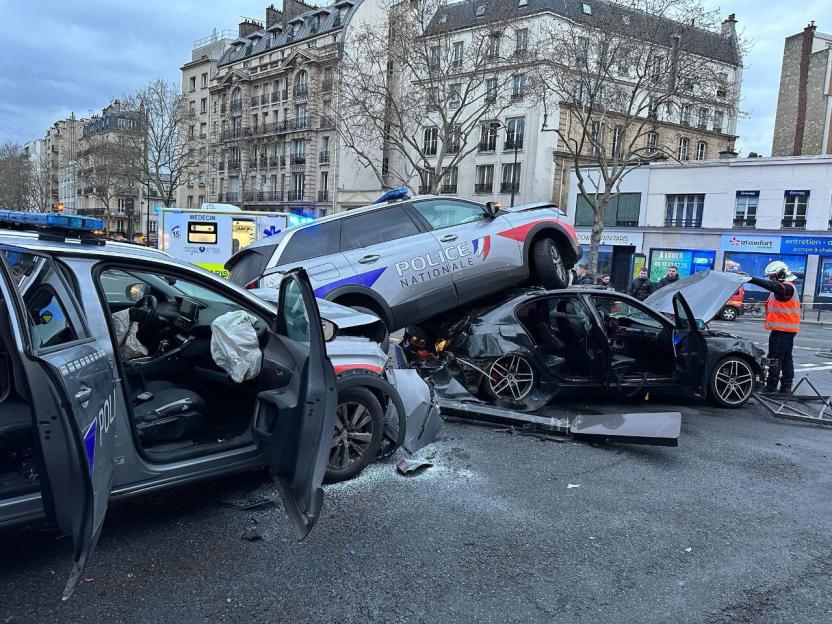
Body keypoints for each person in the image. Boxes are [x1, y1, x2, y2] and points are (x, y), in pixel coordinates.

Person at [748, 261, 800, 394]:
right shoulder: (784, 288)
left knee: (775, 357)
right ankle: (786, 386)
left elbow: (773, 287)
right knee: (786, 357)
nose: (771, 279)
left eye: (773, 276)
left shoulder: (787, 288)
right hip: (784, 330)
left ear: (781, 274)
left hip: (783, 330)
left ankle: (771, 387)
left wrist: (752, 279)